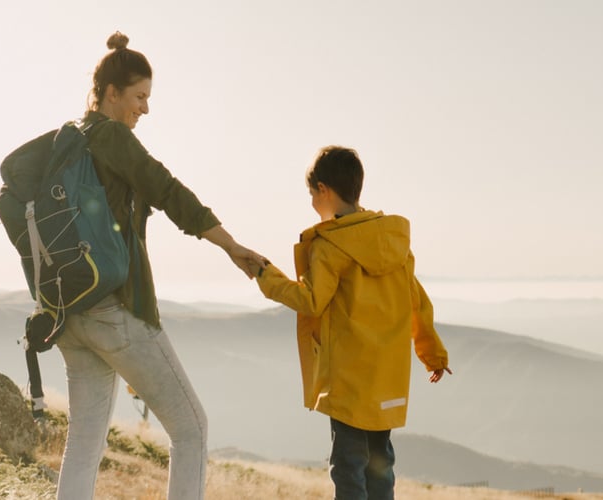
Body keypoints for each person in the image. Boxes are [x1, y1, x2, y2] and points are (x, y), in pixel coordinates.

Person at [52, 31, 267, 500]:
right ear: (112, 94)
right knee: (191, 429)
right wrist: (230, 246)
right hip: (115, 309)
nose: (145, 109)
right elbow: (166, 190)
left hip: (70, 312)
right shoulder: (110, 136)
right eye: (139, 97)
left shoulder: (72, 138)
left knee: (84, 443)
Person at [254, 146, 451, 500]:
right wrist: (433, 354)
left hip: (348, 380)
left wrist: (265, 275)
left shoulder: (331, 244)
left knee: (348, 467)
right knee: (380, 467)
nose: (312, 202)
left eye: (312, 194)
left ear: (324, 190)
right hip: (388, 379)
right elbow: (417, 303)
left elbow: (310, 300)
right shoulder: (394, 241)